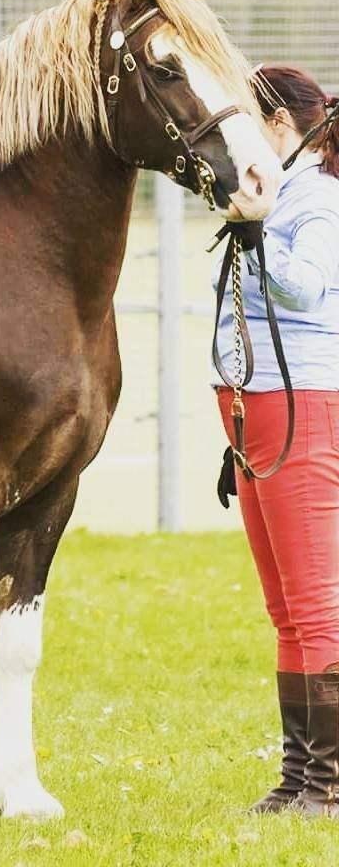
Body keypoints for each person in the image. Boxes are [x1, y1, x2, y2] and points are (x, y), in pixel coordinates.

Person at [214, 64, 339, 818]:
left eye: (246, 129)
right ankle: (298, 777)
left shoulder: (317, 200)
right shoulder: (274, 196)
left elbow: (307, 291)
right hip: (254, 413)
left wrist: (256, 232)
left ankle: (328, 785)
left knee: (316, 602)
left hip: (302, 407)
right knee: (284, 607)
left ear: (283, 130)